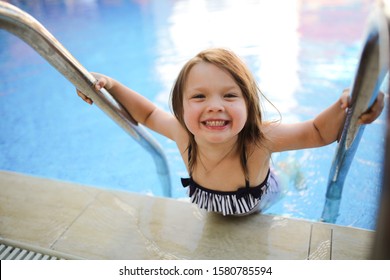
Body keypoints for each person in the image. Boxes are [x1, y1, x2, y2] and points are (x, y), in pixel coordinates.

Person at [76, 48, 385, 216]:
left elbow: (317, 132)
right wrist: (111, 86)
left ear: (249, 105)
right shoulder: (183, 135)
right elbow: (146, 113)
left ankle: (289, 170)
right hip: (219, 209)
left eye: (229, 96)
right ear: (181, 109)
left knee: (288, 175)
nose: (214, 106)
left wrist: (349, 105)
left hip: (263, 199)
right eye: (199, 97)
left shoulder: (260, 140)